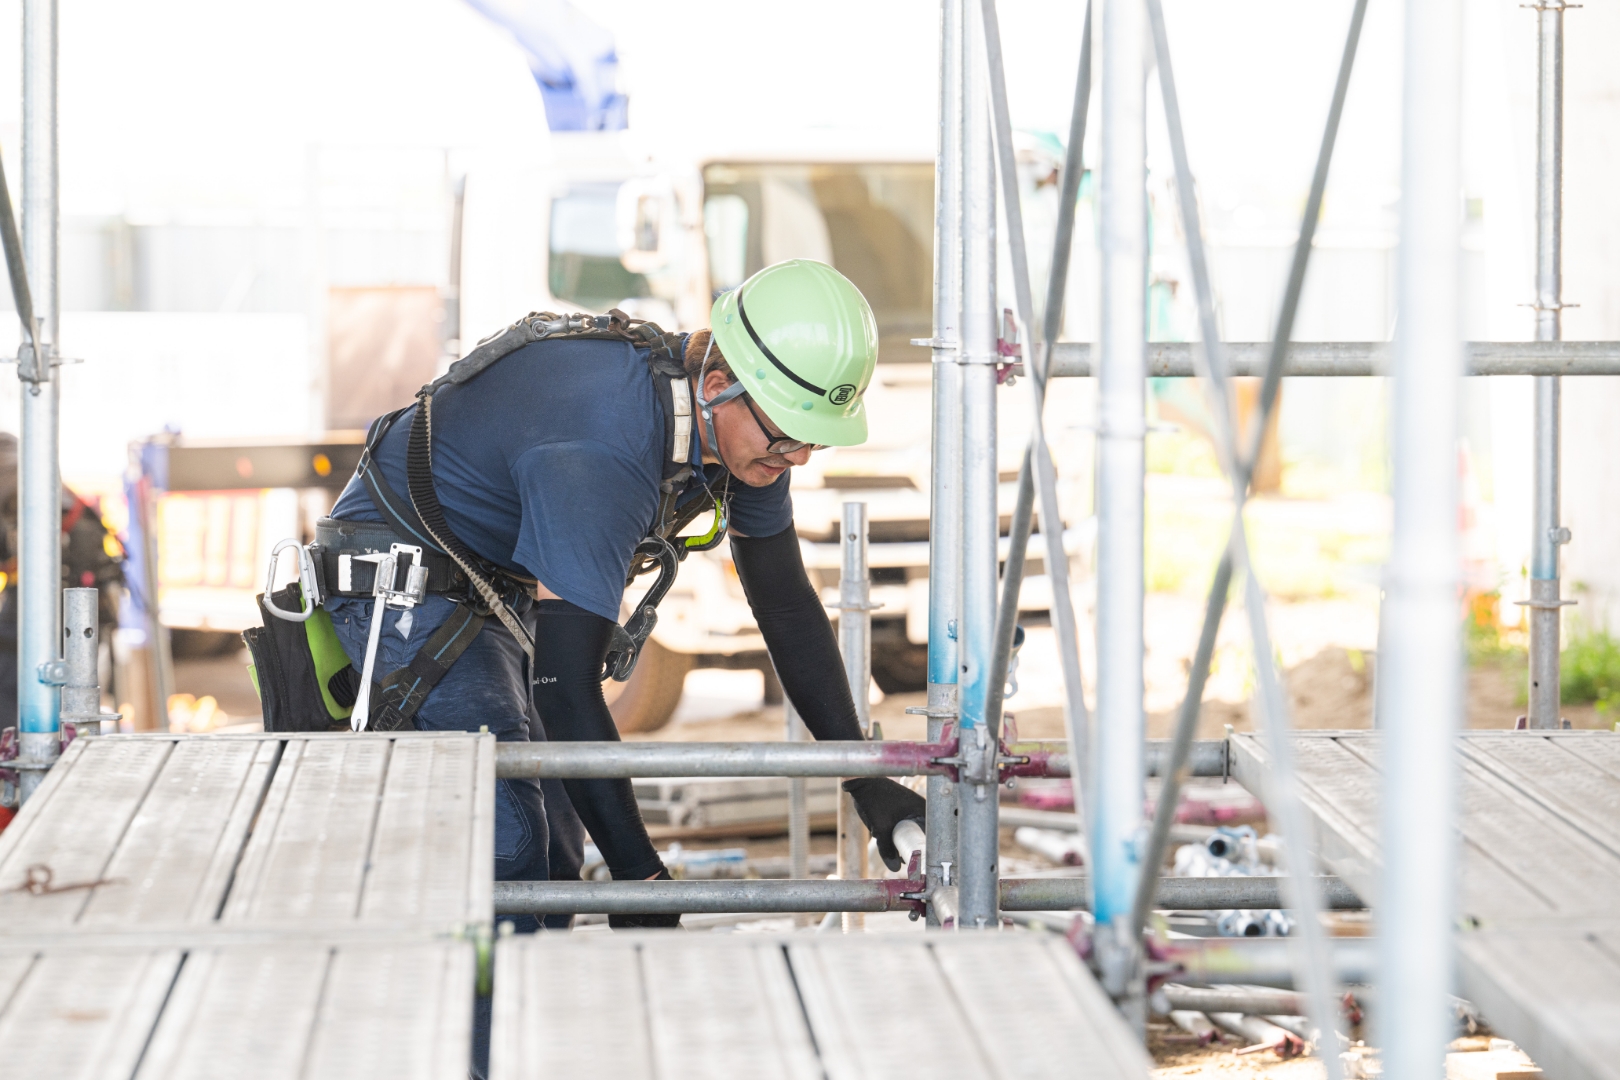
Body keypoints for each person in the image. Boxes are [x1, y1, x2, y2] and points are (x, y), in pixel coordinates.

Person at [319, 259, 926, 930]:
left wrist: (864, 776)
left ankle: (533, 981)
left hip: (492, 581)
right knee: (507, 846)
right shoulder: (606, 444)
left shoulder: (745, 439)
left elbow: (784, 605)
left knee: (559, 845)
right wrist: (642, 880)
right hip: (406, 577)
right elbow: (565, 686)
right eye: (787, 433)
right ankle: (473, 991)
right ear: (717, 386)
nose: (799, 456)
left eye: (812, 439)